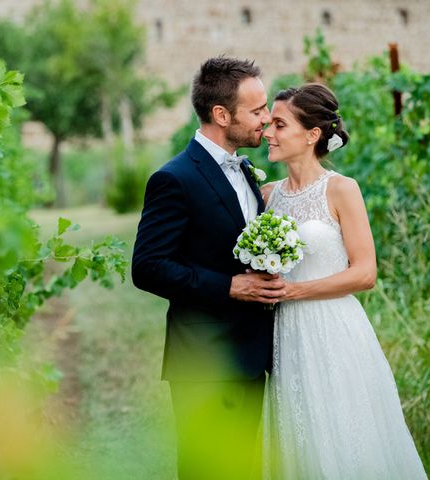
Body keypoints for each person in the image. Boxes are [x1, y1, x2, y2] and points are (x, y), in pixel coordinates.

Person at [259, 83, 428, 479]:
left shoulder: (341, 189)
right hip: (285, 334)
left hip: (334, 329)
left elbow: (365, 272)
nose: (268, 133)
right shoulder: (267, 195)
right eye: (268, 124)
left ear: (312, 134)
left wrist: (296, 290)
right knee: (298, 437)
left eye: (279, 125)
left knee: (346, 434)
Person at [132, 56, 284, 480]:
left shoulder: (247, 171)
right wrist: (229, 287)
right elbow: (147, 266)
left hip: (250, 356)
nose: (267, 118)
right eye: (256, 110)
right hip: (204, 361)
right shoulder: (174, 178)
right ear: (221, 114)